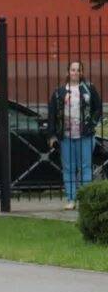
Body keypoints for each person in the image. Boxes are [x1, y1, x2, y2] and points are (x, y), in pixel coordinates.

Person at [47, 60, 103, 210]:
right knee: (69, 168)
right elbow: (52, 114)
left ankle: (85, 199)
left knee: (85, 167)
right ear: (68, 72)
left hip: (85, 135)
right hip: (66, 136)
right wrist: (51, 135)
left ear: (82, 73)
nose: (75, 72)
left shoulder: (89, 88)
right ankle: (71, 199)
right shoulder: (59, 91)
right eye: (73, 70)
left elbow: (98, 107)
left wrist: (91, 123)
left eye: (78, 70)